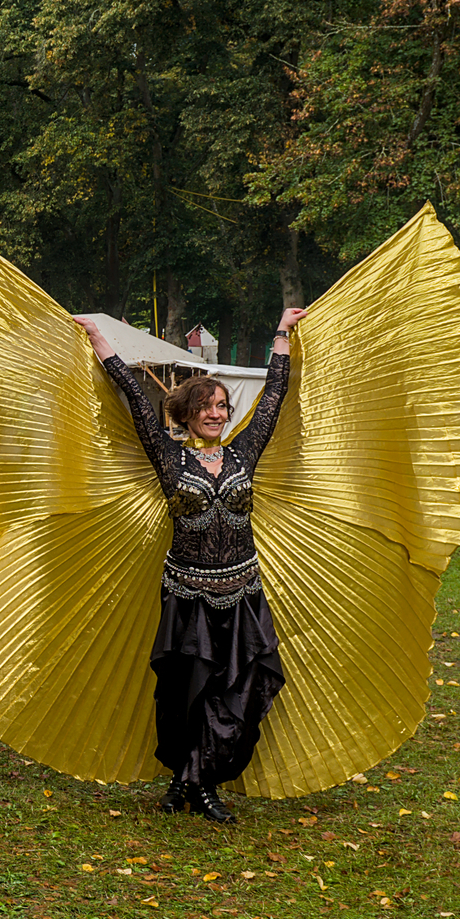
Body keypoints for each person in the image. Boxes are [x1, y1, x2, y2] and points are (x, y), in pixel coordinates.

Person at [76, 307, 305, 823]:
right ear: (185, 414)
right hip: (187, 595)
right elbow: (135, 399)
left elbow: (274, 395)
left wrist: (281, 334)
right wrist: (98, 338)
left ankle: (197, 782)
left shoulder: (244, 453)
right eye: (205, 406)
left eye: (222, 405)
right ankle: (191, 780)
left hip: (242, 594)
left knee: (237, 690)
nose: (216, 414)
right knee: (188, 692)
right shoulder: (170, 458)